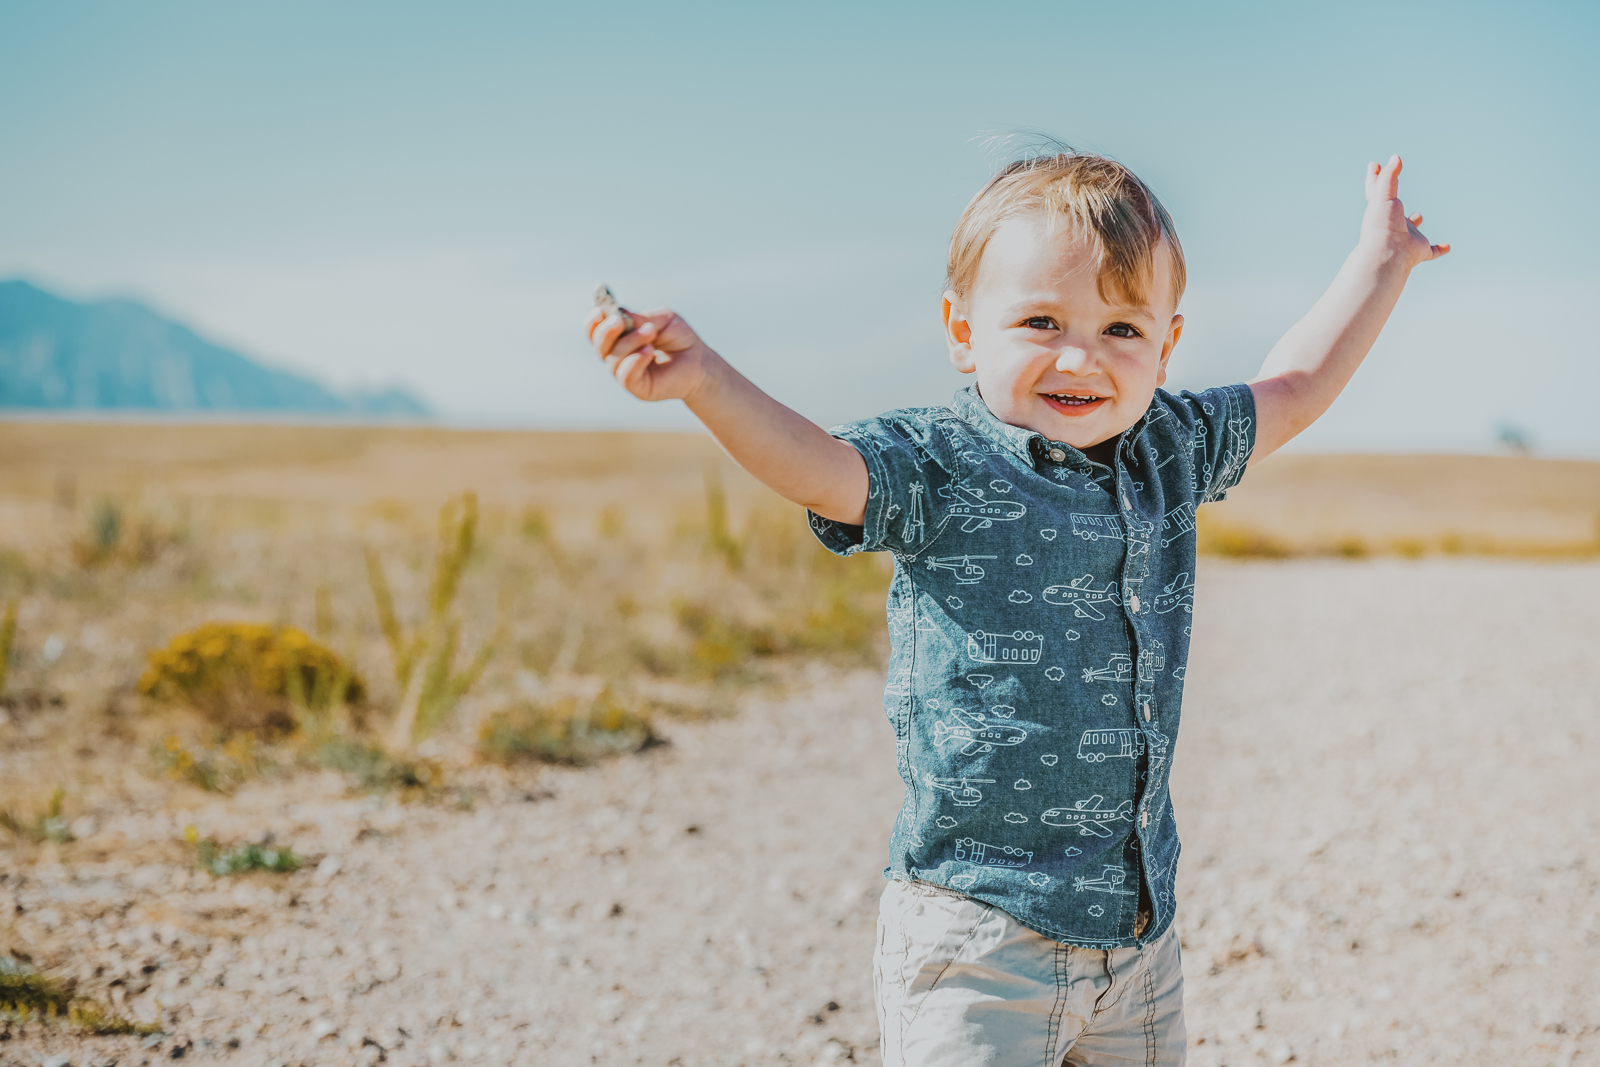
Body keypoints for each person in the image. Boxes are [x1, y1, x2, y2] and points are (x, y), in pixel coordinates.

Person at [584, 149, 1447, 1066]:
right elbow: (823, 469)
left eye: (1122, 328)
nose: (1082, 356)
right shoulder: (942, 465)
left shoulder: (1171, 449)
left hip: (1138, 938)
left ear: (1168, 344)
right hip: (977, 938)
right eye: (1041, 320)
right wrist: (705, 380)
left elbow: (1297, 385)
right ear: (963, 329)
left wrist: (1380, 263)